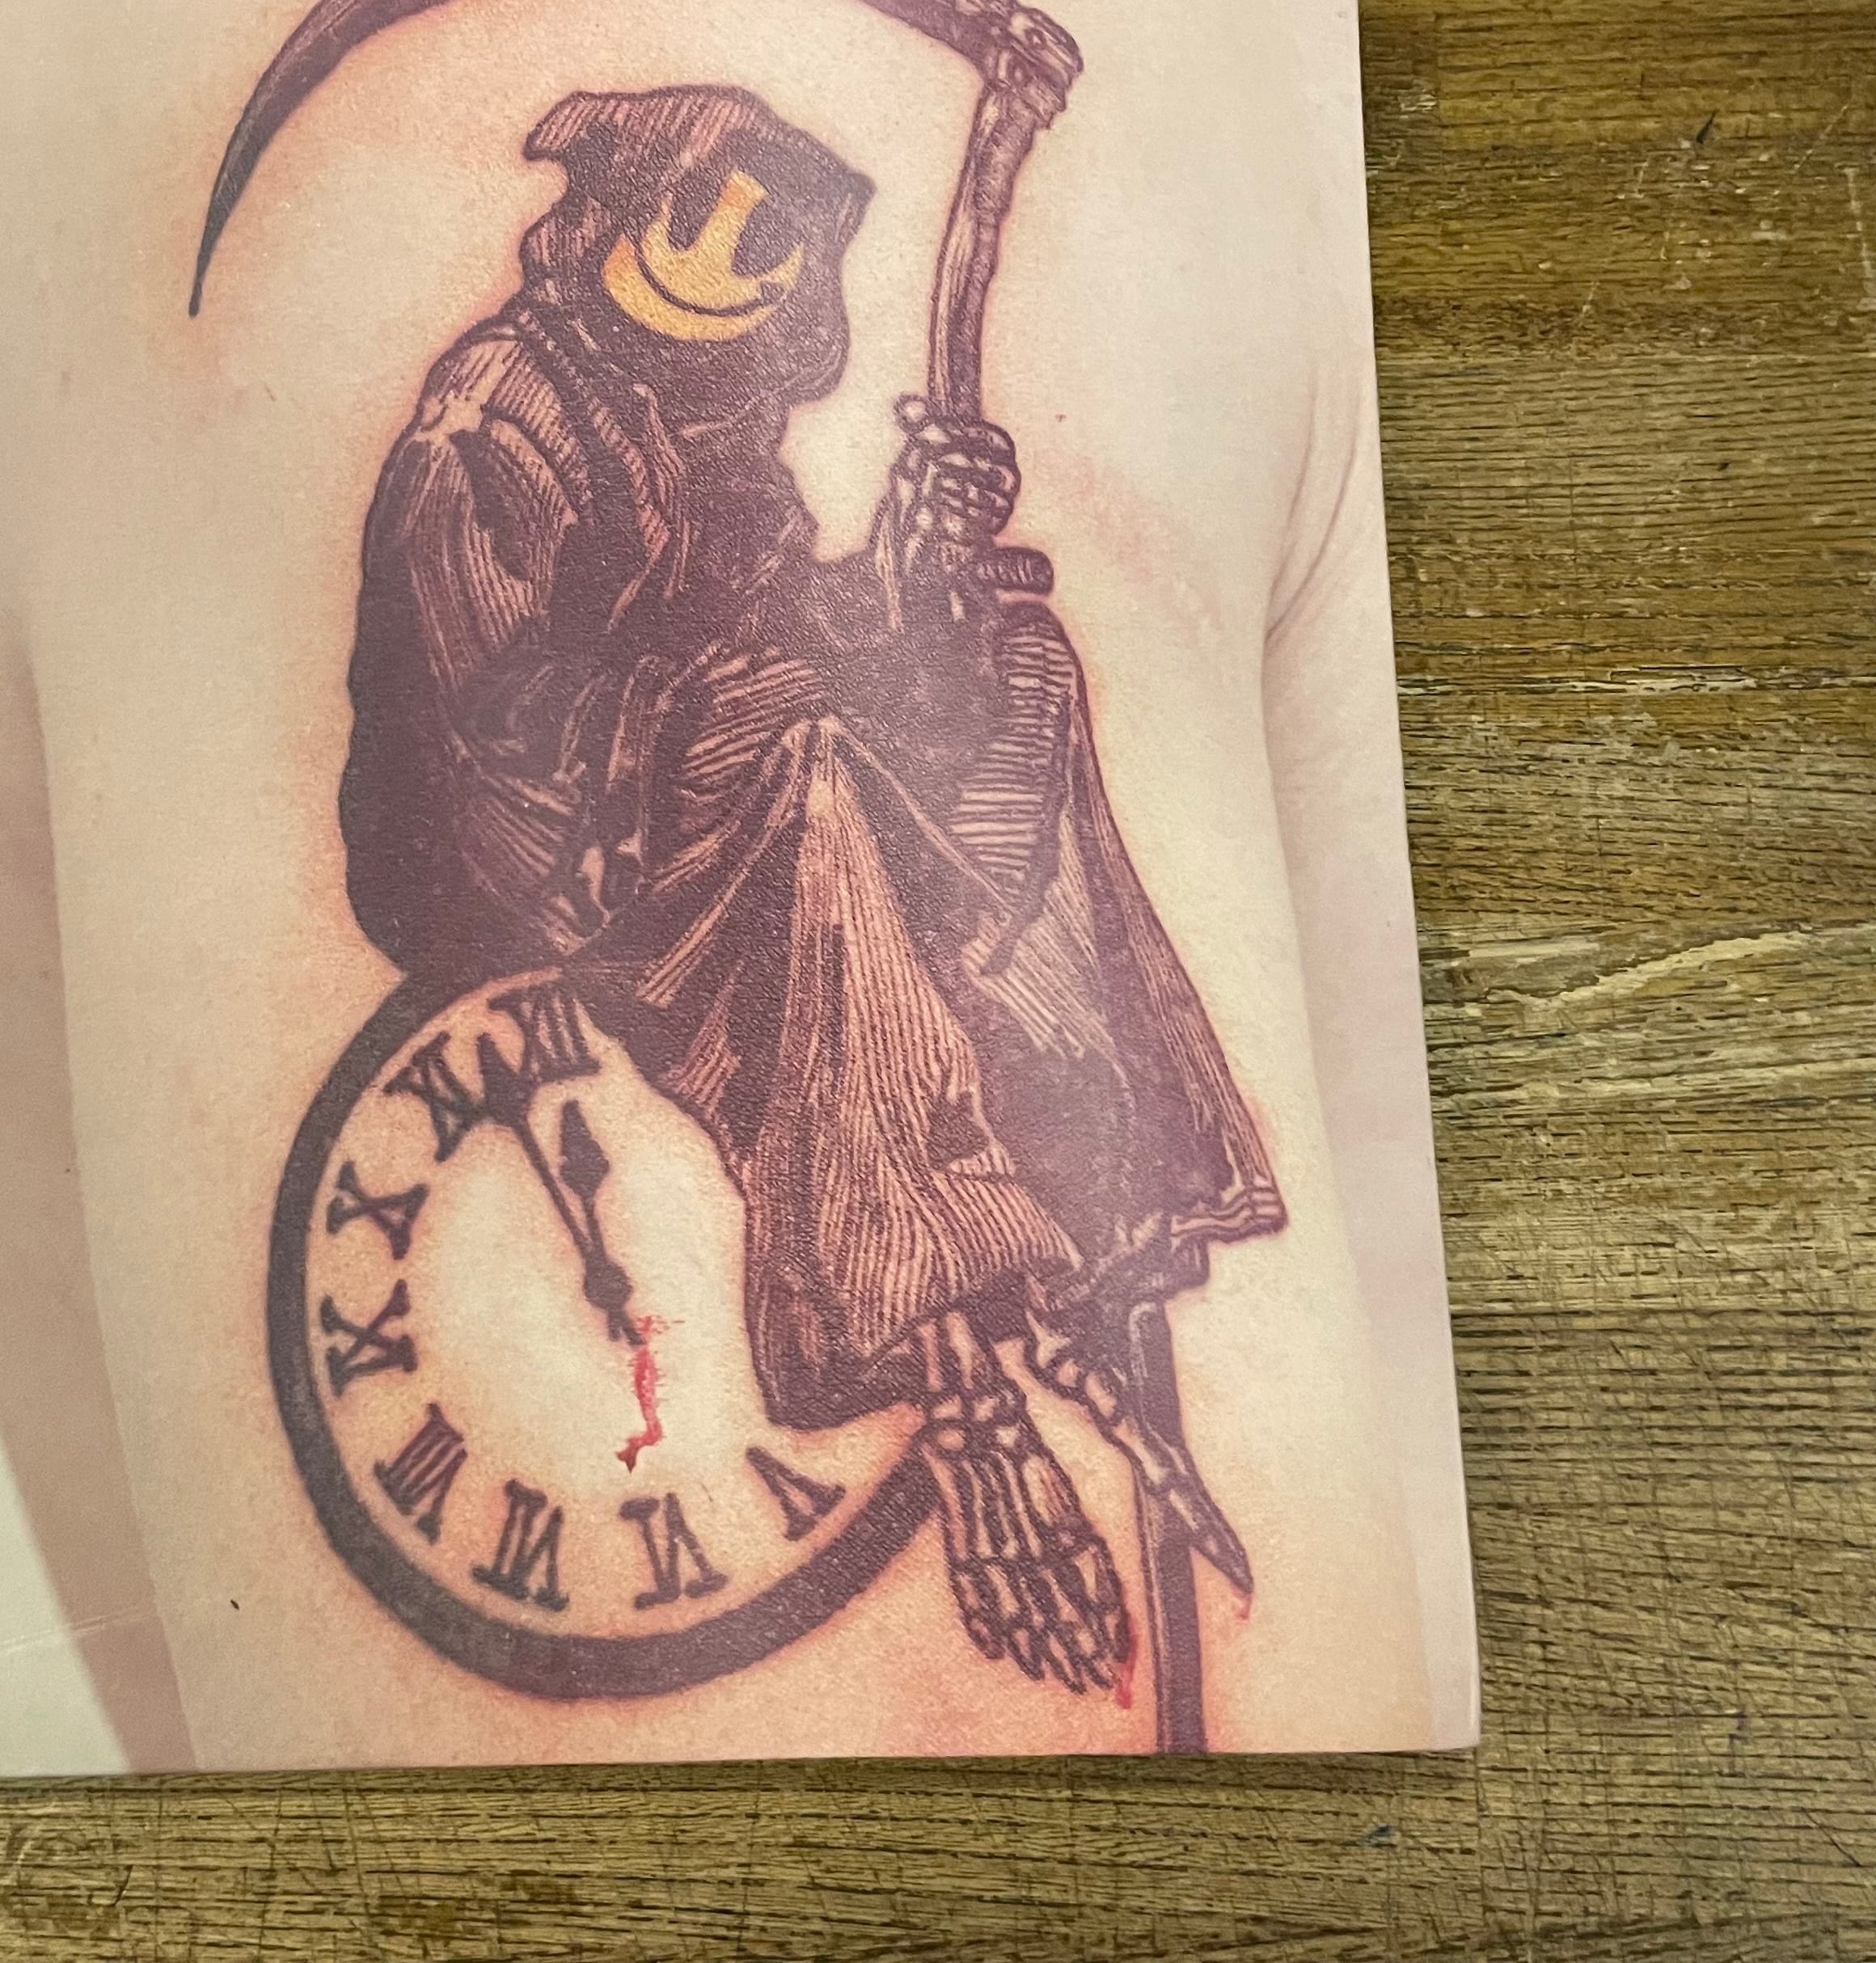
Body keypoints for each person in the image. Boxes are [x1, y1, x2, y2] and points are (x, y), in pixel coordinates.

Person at [340, 82, 1286, 1691]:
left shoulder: (715, 422)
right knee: (820, 754)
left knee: (1018, 667)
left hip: (725, 768)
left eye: (772, 248)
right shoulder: (499, 420)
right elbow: (487, 734)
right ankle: (928, 1300)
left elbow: (790, 624)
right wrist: (732, 694)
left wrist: (912, 573)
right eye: (710, 230)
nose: (742, 278)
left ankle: (1101, 1150)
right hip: (532, 859)